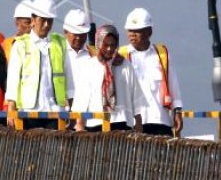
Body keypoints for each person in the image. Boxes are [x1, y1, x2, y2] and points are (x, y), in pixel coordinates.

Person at [5, 0, 74, 129]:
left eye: (50, 21)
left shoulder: (60, 43)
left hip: (55, 111)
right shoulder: (21, 45)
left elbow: (68, 76)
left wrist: (69, 107)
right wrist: (11, 109)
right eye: (43, 20)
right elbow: (13, 79)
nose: (47, 25)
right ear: (33, 20)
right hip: (28, 111)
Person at [119, 8, 183, 136]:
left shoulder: (162, 54)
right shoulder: (120, 56)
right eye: (130, 30)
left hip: (160, 119)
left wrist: (178, 112)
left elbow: (173, 85)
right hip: (132, 122)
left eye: (137, 31)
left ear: (149, 31)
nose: (132, 34)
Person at [73, 25, 143, 132]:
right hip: (96, 122)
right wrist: (79, 124)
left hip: (121, 121)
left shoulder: (125, 65)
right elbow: (81, 99)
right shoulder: (89, 66)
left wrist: (138, 122)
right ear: (99, 44)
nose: (109, 49)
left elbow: (136, 95)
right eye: (105, 45)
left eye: (113, 45)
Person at [62, 9, 94, 90]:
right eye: (75, 34)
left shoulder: (93, 54)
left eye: (82, 34)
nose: (78, 38)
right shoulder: (57, 53)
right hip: (63, 101)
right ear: (65, 32)